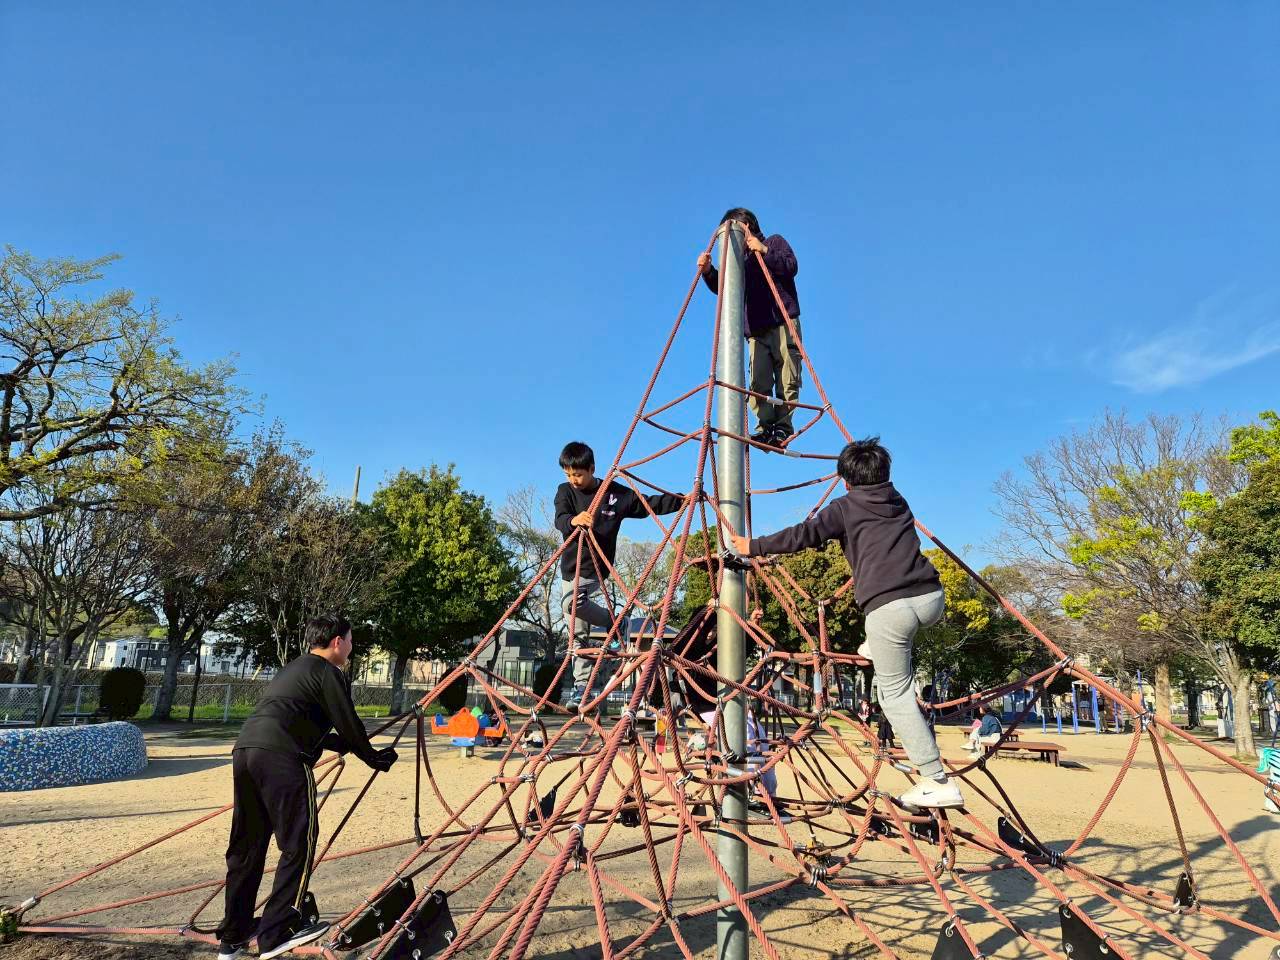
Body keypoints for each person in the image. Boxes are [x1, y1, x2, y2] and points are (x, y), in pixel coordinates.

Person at [729, 436, 962, 810]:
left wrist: (752, 546)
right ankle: (876, 647)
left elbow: (803, 535)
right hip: (931, 597)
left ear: (846, 481)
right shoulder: (897, 499)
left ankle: (936, 779)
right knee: (888, 644)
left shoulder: (845, 507)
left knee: (894, 695)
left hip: (891, 608)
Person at [216, 615, 398, 960]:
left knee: (247, 847)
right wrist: (372, 757)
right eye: (350, 640)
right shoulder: (329, 672)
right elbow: (349, 722)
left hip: (246, 751)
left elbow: (293, 717)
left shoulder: (293, 669)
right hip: (283, 757)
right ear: (337, 642)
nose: (351, 647)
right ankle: (278, 931)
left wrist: (338, 744)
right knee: (299, 841)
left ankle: (233, 937)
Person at [555, 442, 685, 709]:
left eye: (578, 474)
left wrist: (683, 499)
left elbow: (648, 504)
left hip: (597, 568)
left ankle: (615, 623)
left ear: (592, 469)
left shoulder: (613, 494)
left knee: (571, 604)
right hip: (571, 568)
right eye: (568, 474)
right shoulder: (565, 491)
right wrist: (573, 520)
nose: (573, 480)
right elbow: (561, 517)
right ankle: (582, 689)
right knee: (577, 635)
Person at [697, 207, 802, 447]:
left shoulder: (773, 242)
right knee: (758, 382)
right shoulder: (741, 263)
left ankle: (783, 428)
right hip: (756, 330)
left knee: (787, 376)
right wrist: (708, 272)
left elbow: (791, 266)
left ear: (747, 227)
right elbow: (726, 288)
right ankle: (765, 427)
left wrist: (763, 250)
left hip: (782, 321)